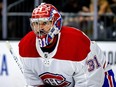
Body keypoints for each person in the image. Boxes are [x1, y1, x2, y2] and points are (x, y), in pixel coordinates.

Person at [18, 3, 116, 87]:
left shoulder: (77, 43)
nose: (39, 28)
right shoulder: (25, 45)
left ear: (55, 23)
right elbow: (34, 82)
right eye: (36, 23)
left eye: (44, 23)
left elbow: (90, 82)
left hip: (99, 79)